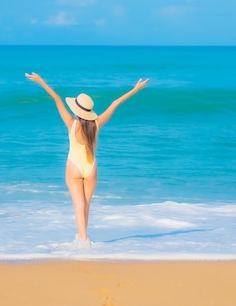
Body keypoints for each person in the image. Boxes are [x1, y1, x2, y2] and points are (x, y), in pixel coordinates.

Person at [25, 72, 149, 248]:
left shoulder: (71, 124)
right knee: (86, 206)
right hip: (91, 168)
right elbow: (115, 103)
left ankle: (82, 239)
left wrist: (40, 81)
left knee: (78, 205)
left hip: (74, 167)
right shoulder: (97, 124)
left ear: (77, 111)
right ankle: (83, 237)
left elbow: (57, 98)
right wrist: (136, 89)